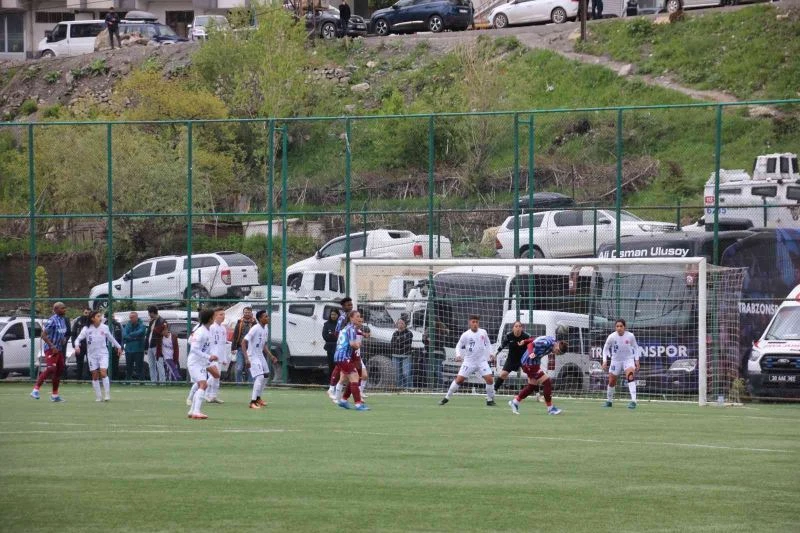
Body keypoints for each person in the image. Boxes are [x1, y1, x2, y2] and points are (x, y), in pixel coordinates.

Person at [438, 315, 496, 407]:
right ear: (469, 323)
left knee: (490, 379)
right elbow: (458, 346)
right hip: (469, 362)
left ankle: (489, 400)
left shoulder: (483, 332)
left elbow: (488, 343)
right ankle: (446, 398)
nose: (475, 324)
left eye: (477, 322)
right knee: (459, 380)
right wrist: (458, 355)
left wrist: (491, 353)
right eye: (473, 322)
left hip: (481, 361)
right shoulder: (466, 335)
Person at [508, 335, 567, 416]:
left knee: (531, 386)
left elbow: (535, 339)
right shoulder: (545, 343)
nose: (556, 354)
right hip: (529, 363)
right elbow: (531, 344)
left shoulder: (553, 341)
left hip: (533, 363)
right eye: (558, 353)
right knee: (547, 382)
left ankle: (515, 402)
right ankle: (550, 408)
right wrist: (531, 352)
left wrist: (525, 341)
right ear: (557, 347)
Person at [74, 310, 122, 402]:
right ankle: (99, 396)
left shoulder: (104, 327)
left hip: (103, 353)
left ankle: (107, 395)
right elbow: (78, 339)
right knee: (95, 376)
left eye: (101, 316)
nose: (101, 318)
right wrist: (76, 346)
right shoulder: (86, 329)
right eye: (98, 316)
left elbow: (111, 338)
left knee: (103, 372)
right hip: (92, 355)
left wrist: (119, 347)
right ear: (92, 318)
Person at [31, 302, 70, 402]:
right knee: (51, 368)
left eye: (65, 308)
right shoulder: (52, 320)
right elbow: (43, 335)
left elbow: (62, 333)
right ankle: (35, 390)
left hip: (59, 350)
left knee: (59, 371)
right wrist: (52, 346)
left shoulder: (63, 320)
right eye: (62, 308)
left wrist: (63, 339)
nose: (64, 310)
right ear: (56, 309)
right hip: (51, 349)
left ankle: (55, 395)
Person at [186, 309, 220, 420]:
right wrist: (208, 357)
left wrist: (210, 358)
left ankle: (192, 411)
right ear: (210, 318)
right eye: (214, 316)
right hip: (195, 362)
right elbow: (194, 349)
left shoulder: (208, 330)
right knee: (203, 385)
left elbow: (205, 348)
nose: (215, 317)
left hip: (202, 362)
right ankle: (196, 411)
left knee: (210, 379)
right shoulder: (200, 331)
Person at [241, 310, 279, 409]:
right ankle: (252, 402)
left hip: (259, 355)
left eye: (267, 316)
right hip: (252, 355)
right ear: (260, 319)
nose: (268, 318)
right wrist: (246, 358)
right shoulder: (255, 328)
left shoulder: (266, 328)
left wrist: (271, 356)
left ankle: (258, 398)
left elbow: (263, 345)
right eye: (265, 316)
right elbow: (243, 342)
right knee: (260, 377)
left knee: (266, 375)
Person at [333, 310, 369, 411]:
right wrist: (358, 345)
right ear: (351, 318)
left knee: (353, 378)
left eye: (359, 316)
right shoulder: (351, 329)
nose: (359, 318)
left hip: (340, 356)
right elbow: (353, 344)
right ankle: (358, 405)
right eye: (357, 316)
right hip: (343, 356)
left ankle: (344, 400)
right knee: (355, 378)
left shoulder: (347, 328)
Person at [602, 319, 640, 409]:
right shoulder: (611, 337)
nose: (619, 328)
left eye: (621, 326)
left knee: (630, 376)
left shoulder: (630, 336)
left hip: (628, 359)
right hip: (616, 361)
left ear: (624, 327)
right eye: (617, 326)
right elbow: (605, 349)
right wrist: (604, 361)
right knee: (611, 382)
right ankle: (609, 401)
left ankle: (634, 401)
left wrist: (637, 360)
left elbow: (636, 347)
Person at [493, 320, 533, 395]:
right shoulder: (509, 336)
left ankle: (537, 394)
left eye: (519, 326)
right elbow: (502, 345)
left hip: (523, 359)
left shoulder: (526, 336)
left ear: (522, 328)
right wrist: (495, 354)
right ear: (513, 328)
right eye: (516, 326)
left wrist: (532, 354)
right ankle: (493, 391)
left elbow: (532, 345)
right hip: (511, 359)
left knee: (531, 375)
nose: (518, 328)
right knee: (503, 374)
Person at [326, 297, 353, 399]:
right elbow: (337, 332)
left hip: (350, 346)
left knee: (342, 368)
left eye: (351, 304)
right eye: (348, 305)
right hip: (344, 346)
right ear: (343, 306)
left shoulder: (352, 316)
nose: (350, 306)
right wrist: (344, 342)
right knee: (340, 366)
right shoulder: (342, 318)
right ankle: (333, 389)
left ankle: (335, 390)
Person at [205, 308, 229, 404]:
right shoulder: (211, 327)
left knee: (217, 378)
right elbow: (207, 343)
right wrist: (209, 355)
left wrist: (224, 357)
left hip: (219, 357)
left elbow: (223, 344)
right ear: (214, 316)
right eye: (220, 314)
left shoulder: (223, 328)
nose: (223, 316)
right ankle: (205, 393)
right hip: (211, 356)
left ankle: (213, 396)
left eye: (223, 314)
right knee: (213, 376)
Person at [232, 306, 256, 384]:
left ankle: (251, 385)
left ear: (251, 313)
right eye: (245, 312)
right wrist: (233, 347)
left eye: (248, 312)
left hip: (251, 349)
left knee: (250, 368)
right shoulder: (239, 322)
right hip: (240, 349)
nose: (247, 314)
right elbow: (235, 335)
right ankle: (238, 384)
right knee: (239, 368)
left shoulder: (254, 323)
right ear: (243, 313)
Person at [123, 311, 146, 382]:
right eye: (130, 317)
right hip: (128, 350)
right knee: (128, 367)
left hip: (138, 349)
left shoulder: (142, 325)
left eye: (132, 317)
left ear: (136, 317)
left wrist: (130, 335)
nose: (131, 319)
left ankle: (141, 381)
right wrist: (135, 338)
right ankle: (128, 381)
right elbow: (124, 335)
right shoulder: (128, 325)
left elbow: (141, 332)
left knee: (139, 367)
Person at [145, 306, 166, 383]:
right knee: (151, 365)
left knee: (159, 364)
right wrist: (146, 346)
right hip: (150, 346)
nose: (149, 315)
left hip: (157, 345)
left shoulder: (162, 321)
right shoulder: (151, 321)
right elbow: (148, 334)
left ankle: (162, 381)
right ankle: (153, 381)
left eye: (149, 313)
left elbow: (162, 333)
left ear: (152, 313)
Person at [391, 318, 413, 389]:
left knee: (406, 374)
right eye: (399, 323)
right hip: (395, 355)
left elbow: (406, 342)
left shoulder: (409, 333)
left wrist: (399, 341)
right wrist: (400, 341)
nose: (400, 324)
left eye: (402, 323)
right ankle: (400, 388)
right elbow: (392, 344)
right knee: (397, 374)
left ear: (405, 325)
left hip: (406, 356)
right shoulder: (395, 333)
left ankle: (409, 388)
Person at [70, 307, 91, 381]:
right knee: (79, 363)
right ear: (83, 313)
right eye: (86, 313)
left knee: (91, 363)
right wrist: (74, 345)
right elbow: (73, 334)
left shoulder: (92, 322)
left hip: (89, 346)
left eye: (89, 313)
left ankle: (90, 380)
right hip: (80, 346)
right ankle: (78, 379)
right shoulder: (78, 321)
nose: (87, 315)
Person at [322, 308, 340, 386]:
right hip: (330, 348)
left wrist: (332, 335)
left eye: (335, 314)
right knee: (331, 365)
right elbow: (325, 336)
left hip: (339, 348)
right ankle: (331, 383)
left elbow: (340, 337)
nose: (333, 316)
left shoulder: (340, 324)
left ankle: (339, 383)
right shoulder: (326, 324)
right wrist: (333, 335)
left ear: (338, 315)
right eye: (332, 314)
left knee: (338, 366)